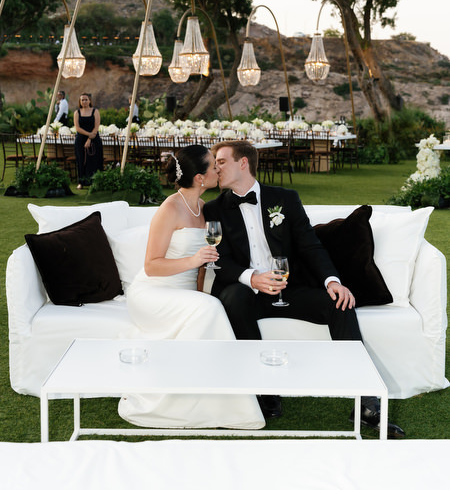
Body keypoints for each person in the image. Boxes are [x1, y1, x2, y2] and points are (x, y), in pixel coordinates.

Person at [203, 140, 405, 438]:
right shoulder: (213, 209)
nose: (216, 167)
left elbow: (310, 245)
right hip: (248, 293)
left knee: (339, 303)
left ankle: (367, 403)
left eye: (221, 161)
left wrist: (332, 281)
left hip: (290, 290)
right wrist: (252, 278)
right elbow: (219, 260)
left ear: (243, 163)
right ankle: (263, 393)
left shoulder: (284, 198)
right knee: (233, 296)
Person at [118, 144, 264, 429]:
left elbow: (202, 268)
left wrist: (199, 290)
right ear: (200, 177)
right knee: (211, 308)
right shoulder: (170, 208)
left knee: (208, 306)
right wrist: (194, 259)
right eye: (213, 166)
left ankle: (213, 396)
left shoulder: (205, 209)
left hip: (185, 294)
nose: (218, 169)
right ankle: (176, 402)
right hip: (154, 291)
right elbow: (151, 265)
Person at [74, 93, 103, 189]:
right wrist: (88, 135)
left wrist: (90, 138)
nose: (84, 101)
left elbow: (96, 126)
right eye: (82, 100)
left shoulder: (95, 111)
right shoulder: (77, 113)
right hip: (80, 140)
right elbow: (77, 128)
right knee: (81, 160)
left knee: (94, 160)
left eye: (86, 99)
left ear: (90, 101)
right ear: (80, 101)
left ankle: (95, 181)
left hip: (94, 139)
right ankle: (81, 182)